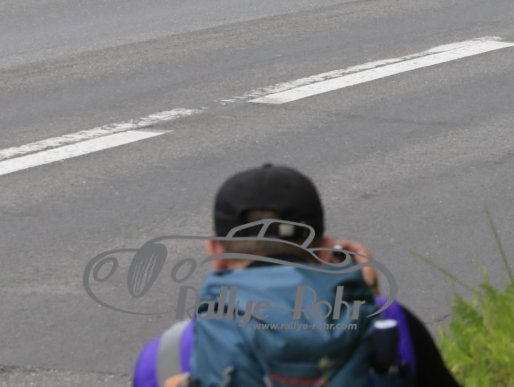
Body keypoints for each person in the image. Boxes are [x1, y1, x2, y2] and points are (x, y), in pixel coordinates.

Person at [131, 164, 462, 387]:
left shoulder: (165, 357)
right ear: (327, 251)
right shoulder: (391, 326)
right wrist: (367, 301)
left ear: (215, 251)